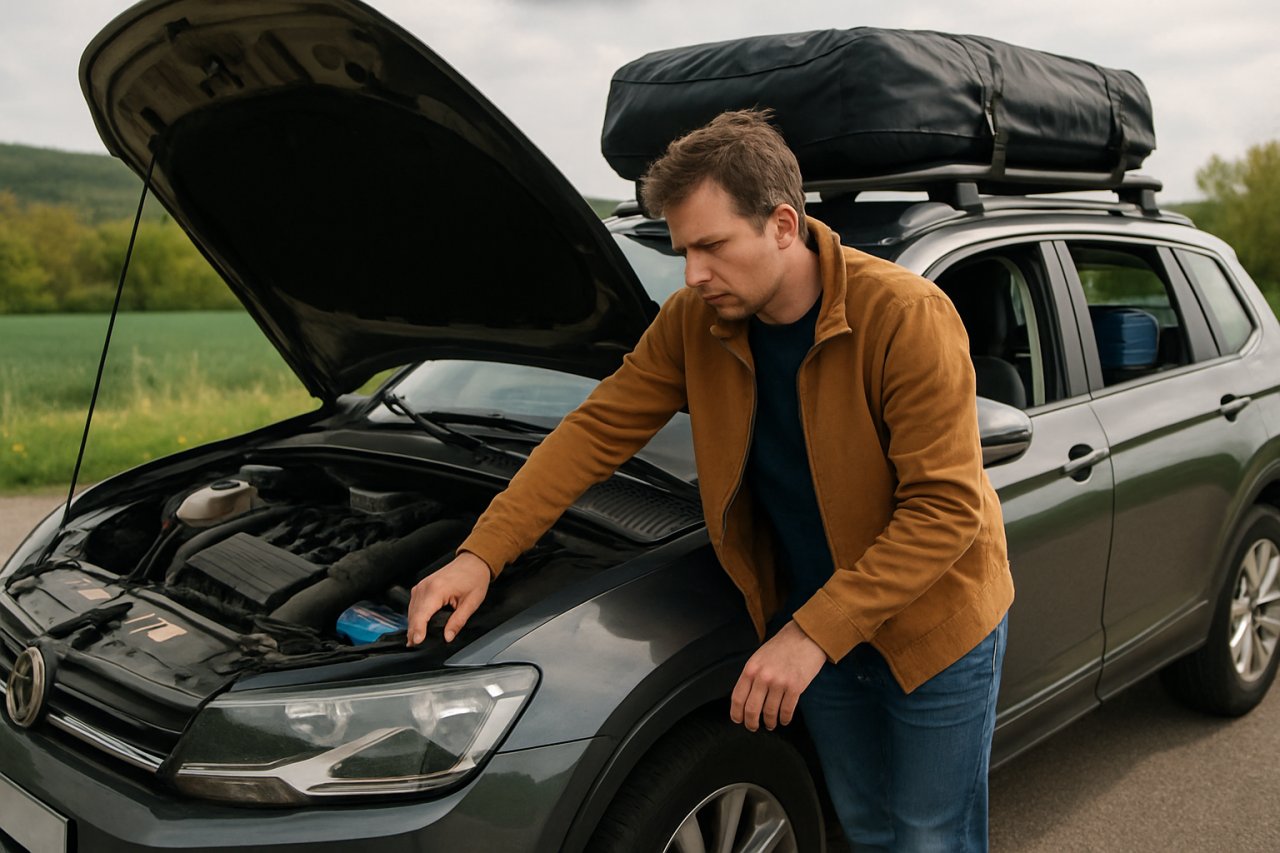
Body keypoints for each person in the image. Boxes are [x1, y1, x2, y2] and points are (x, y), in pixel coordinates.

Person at [405, 108, 1013, 852]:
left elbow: (943, 512)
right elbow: (594, 432)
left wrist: (809, 636)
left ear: (783, 226)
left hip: (930, 626)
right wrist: (481, 553)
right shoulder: (694, 321)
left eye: (713, 246)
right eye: (683, 249)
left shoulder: (906, 317)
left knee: (929, 836)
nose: (693, 274)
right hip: (814, 621)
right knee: (866, 827)